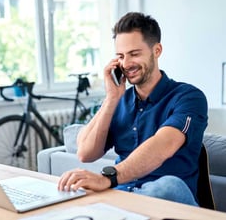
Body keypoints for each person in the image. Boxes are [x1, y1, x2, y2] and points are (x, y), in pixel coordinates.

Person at [58, 12, 208, 206]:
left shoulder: (189, 97)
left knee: (167, 185)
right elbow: (85, 153)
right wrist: (111, 99)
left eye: (134, 54)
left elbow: (163, 145)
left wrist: (108, 178)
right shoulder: (120, 101)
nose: (126, 64)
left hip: (171, 202)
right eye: (120, 56)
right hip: (123, 198)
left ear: (157, 50)